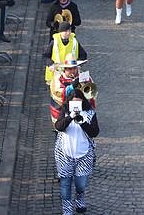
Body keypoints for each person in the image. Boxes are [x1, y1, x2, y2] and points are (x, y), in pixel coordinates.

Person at [54, 86, 99, 215]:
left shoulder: (90, 113)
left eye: (79, 101)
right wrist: (70, 117)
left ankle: (80, 198)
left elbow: (95, 132)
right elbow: (58, 126)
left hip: (84, 154)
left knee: (81, 184)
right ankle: (67, 209)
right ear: (69, 102)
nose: (76, 104)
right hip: (64, 154)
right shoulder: (64, 110)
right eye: (74, 101)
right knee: (65, 182)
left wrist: (83, 122)